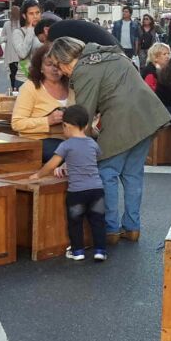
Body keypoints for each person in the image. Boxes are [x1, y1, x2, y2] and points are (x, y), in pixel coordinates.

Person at [46, 36, 170, 247]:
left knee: (107, 172)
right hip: (148, 117)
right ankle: (132, 228)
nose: (61, 72)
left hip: (121, 121)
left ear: (64, 61)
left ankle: (110, 230)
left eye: (59, 66)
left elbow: (82, 116)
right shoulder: (110, 55)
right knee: (132, 174)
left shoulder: (84, 70)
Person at [29, 105, 108, 261]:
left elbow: (51, 165)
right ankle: (100, 251)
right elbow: (95, 156)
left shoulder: (65, 145)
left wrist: (38, 175)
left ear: (65, 126)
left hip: (77, 192)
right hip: (97, 190)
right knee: (98, 221)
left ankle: (77, 251)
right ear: (86, 126)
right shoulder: (92, 143)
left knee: (75, 222)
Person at [12, 45, 73, 161]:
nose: (55, 69)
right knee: (72, 153)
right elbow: (17, 123)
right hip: (39, 141)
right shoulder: (30, 88)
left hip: (69, 139)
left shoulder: (71, 87)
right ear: (40, 67)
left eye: (58, 65)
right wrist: (48, 120)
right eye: (49, 65)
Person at [4, 2, 41, 91]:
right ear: (24, 16)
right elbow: (22, 53)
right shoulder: (19, 32)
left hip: (43, 78)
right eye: (31, 14)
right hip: (25, 78)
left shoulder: (44, 30)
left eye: (37, 12)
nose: (35, 16)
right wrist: (30, 30)